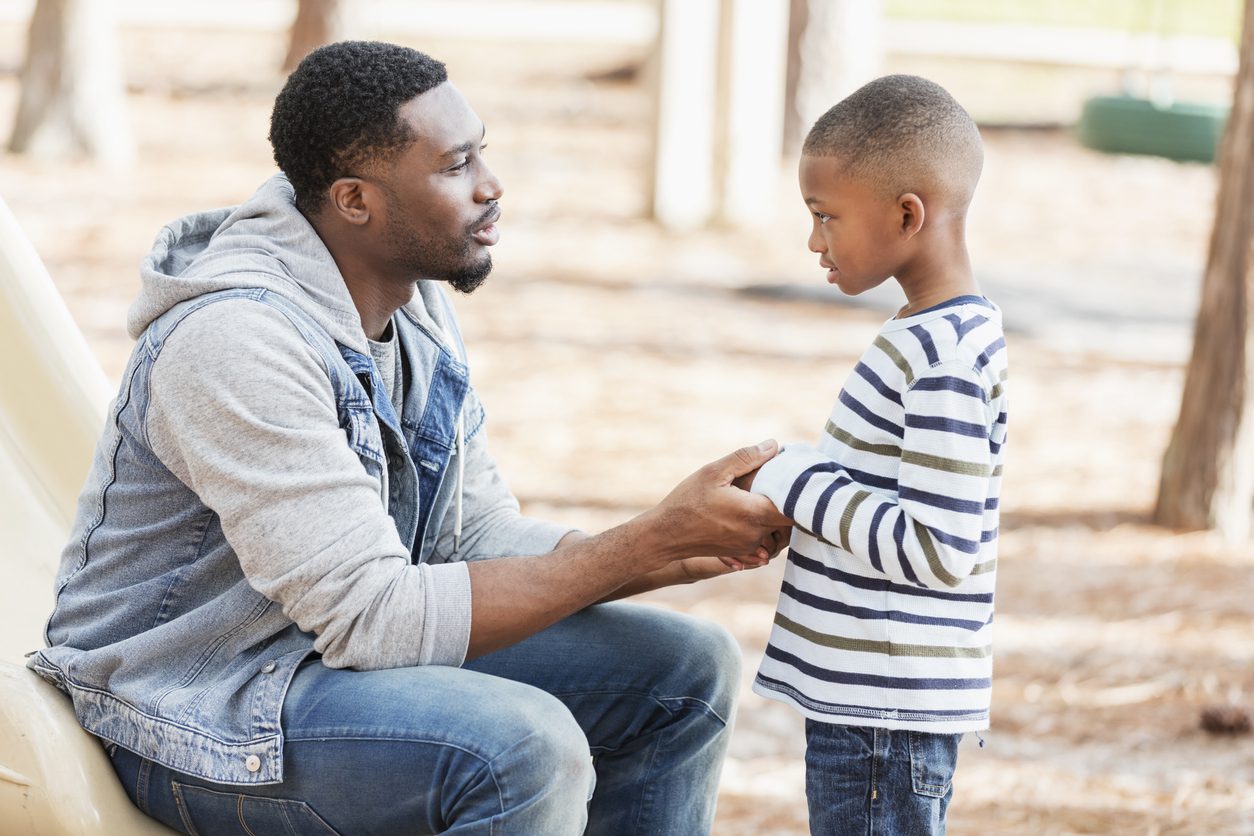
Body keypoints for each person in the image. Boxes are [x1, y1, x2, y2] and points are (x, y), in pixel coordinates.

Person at [27, 41, 792, 835]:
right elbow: (374, 619)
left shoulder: (410, 302)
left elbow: (474, 534)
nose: (492, 188)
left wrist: (667, 551)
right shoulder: (234, 342)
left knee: (684, 672)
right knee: (520, 750)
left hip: (319, 662)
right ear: (356, 201)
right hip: (190, 708)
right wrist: (638, 547)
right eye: (456, 165)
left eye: (481, 152)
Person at [739, 75, 1009, 835]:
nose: (814, 241)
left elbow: (938, 545)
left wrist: (797, 480)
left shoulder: (945, 354)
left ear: (907, 213)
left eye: (826, 217)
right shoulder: (929, 335)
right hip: (872, 705)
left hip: (884, 716)